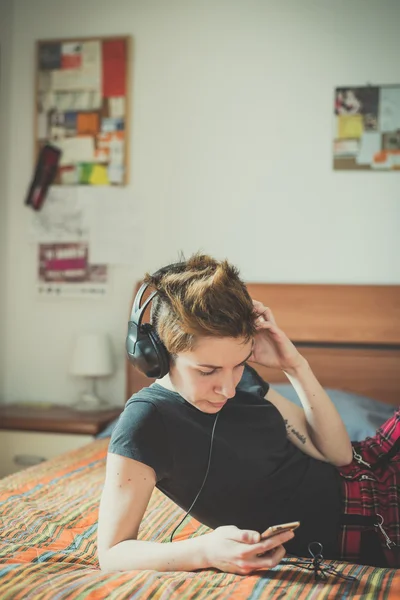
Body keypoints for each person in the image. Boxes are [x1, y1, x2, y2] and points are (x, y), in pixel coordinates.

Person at [97, 254, 400, 574]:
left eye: (239, 364)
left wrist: (294, 366)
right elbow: (113, 553)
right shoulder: (145, 422)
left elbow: (340, 455)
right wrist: (204, 551)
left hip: (374, 477)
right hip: (364, 524)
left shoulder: (248, 382)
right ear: (158, 354)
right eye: (207, 371)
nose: (228, 389)